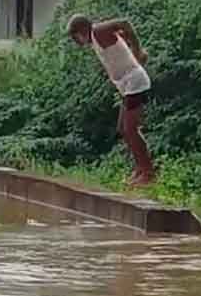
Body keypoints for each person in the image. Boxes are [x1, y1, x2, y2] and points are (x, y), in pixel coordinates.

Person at [67, 14, 157, 186]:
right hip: (127, 86)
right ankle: (140, 169)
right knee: (123, 129)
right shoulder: (95, 40)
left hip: (135, 82)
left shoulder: (98, 30)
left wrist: (138, 51)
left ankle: (148, 172)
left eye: (75, 37)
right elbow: (121, 38)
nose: (76, 41)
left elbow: (125, 23)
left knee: (131, 129)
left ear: (81, 30)